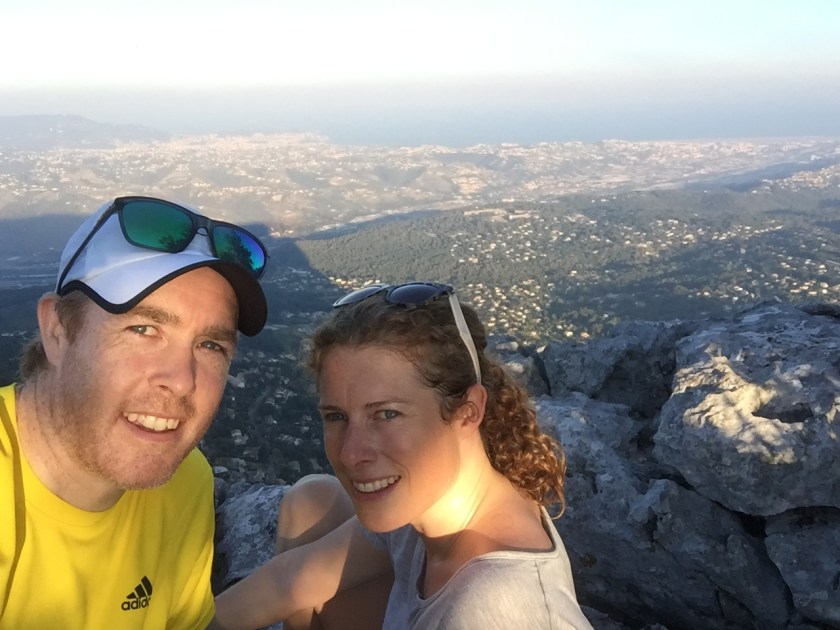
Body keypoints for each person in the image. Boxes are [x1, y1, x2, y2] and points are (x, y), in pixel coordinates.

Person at [212, 282, 592, 629]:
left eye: (387, 414)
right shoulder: (423, 510)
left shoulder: (493, 608)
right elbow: (289, 581)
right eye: (336, 416)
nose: (351, 452)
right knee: (314, 501)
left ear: (468, 412)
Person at [0, 195, 270, 628]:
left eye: (210, 346)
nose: (181, 379)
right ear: (57, 331)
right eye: (143, 329)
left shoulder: (186, 483)